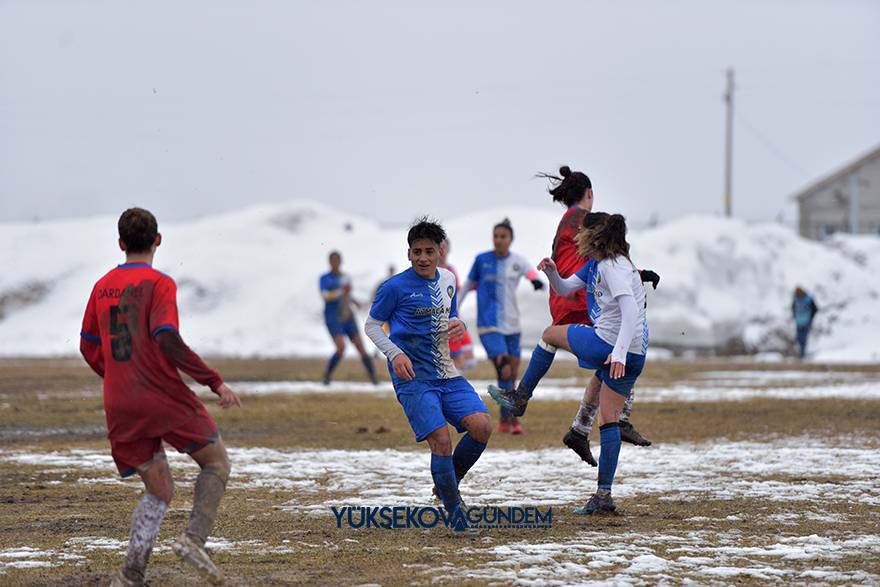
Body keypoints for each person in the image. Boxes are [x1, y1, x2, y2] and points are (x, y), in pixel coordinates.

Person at [79, 208, 242, 586]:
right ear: (158, 240)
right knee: (216, 462)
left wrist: (118, 377)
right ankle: (192, 539)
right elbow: (166, 337)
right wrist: (213, 381)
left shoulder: (101, 286)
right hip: (161, 395)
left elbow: (89, 347)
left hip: (120, 400)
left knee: (159, 490)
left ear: (121, 244)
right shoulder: (159, 284)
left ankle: (131, 574)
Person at [490, 167, 653, 461]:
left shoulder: (568, 221)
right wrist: (634, 272)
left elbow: (602, 262)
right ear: (589, 193)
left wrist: (636, 273)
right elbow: (607, 258)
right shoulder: (585, 222)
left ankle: (578, 429)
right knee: (627, 343)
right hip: (584, 301)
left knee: (610, 365)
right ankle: (615, 418)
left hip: (571, 298)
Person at [495, 214, 649, 514]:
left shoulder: (610, 265)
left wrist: (616, 352)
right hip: (634, 353)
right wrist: (552, 273)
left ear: (594, 235)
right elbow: (565, 289)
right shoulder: (601, 263)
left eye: (581, 233)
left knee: (549, 335)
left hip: (610, 345)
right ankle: (603, 496)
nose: (576, 238)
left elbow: (630, 309)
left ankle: (520, 396)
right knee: (609, 420)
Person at [365, 218, 492, 533]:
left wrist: (459, 324)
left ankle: (448, 482)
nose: (423, 257)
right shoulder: (394, 288)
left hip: (446, 372)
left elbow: (451, 315)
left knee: (481, 427)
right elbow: (371, 326)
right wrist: (395, 353)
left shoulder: (448, 280)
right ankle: (456, 515)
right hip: (413, 377)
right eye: (417, 251)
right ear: (408, 253)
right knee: (441, 441)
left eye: (429, 251)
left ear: (441, 252)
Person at [460, 219, 543, 434]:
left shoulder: (517, 261)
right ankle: (511, 420)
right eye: (495, 236)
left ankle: (506, 420)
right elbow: (467, 285)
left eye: (503, 236)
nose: (498, 240)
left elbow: (530, 272)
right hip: (489, 326)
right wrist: (454, 309)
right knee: (505, 367)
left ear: (511, 239)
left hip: (513, 325)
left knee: (510, 374)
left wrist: (535, 281)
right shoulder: (481, 260)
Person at [319, 251, 378, 384]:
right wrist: (341, 291)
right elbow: (326, 296)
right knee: (341, 348)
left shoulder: (345, 277)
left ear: (340, 261)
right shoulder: (325, 278)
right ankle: (327, 376)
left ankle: (374, 378)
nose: (335, 263)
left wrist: (355, 302)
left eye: (337, 260)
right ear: (330, 262)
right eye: (333, 260)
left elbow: (347, 295)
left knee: (361, 347)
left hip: (348, 317)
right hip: (333, 317)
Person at [439, 239, 476, 372]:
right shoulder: (431, 272)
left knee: (468, 359)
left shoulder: (451, 270)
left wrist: (473, 286)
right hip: (440, 321)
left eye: (445, 247)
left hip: (454, 319)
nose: (442, 251)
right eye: (439, 247)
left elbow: (456, 291)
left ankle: (455, 383)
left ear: (448, 249)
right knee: (454, 359)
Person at [792, 287, 818, 359]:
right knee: (799, 338)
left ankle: (803, 354)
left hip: (806, 321)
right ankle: (801, 353)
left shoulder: (808, 299)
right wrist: (795, 316)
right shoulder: (796, 299)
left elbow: (815, 309)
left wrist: (810, 317)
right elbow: (793, 308)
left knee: (804, 337)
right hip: (799, 321)